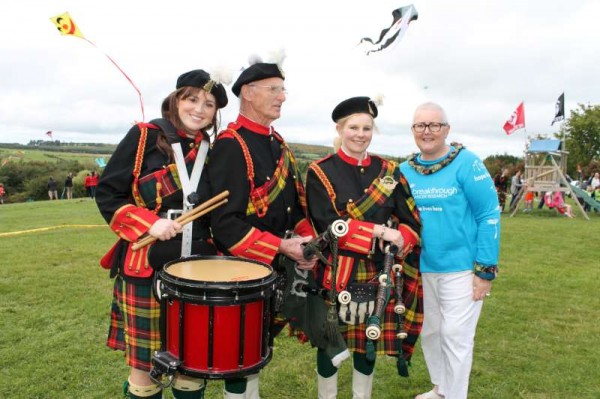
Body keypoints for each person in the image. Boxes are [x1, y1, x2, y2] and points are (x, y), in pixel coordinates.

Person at [95, 69, 229, 399]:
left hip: (197, 267)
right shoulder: (144, 136)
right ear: (176, 99)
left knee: (192, 368)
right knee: (145, 372)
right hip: (145, 263)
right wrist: (147, 223)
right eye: (192, 99)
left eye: (209, 104)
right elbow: (109, 193)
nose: (200, 109)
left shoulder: (212, 149)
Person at [206, 57, 316, 399]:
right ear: (248, 93)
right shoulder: (230, 145)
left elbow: (292, 206)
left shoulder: (276, 143)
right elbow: (224, 225)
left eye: (283, 90)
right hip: (244, 270)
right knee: (240, 355)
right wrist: (281, 247)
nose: (282, 97)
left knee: (257, 349)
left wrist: (304, 238)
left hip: (275, 268)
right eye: (274, 90)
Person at [305, 96, 422, 398]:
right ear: (340, 129)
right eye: (353, 127)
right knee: (330, 342)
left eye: (367, 128)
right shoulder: (320, 171)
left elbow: (412, 221)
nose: (360, 134)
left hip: (378, 271)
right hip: (336, 272)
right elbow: (326, 225)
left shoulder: (389, 171)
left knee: (368, 341)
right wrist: (381, 231)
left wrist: (402, 240)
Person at [400, 102, 500, 399]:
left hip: (461, 268)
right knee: (430, 334)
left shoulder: (468, 163)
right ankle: (441, 389)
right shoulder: (404, 170)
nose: (427, 131)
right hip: (420, 268)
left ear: (447, 129)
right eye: (420, 125)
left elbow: (488, 215)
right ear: (413, 130)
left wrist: (485, 269)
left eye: (434, 125)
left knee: (455, 336)